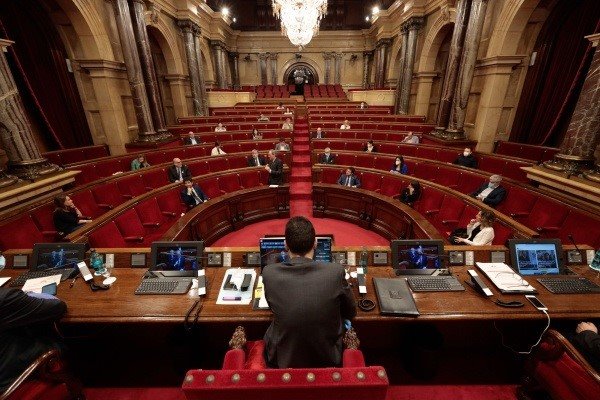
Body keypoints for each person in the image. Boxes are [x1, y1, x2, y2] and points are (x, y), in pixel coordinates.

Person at [262, 216, 356, 368]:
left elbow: (272, 306)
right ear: (316, 243)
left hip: (283, 358)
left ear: (285, 245)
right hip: (328, 356)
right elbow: (350, 311)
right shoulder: (335, 272)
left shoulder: (269, 273)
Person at [0, 288, 67, 391]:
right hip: (7, 380)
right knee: (58, 336)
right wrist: (29, 295)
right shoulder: (5, 298)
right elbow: (58, 307)